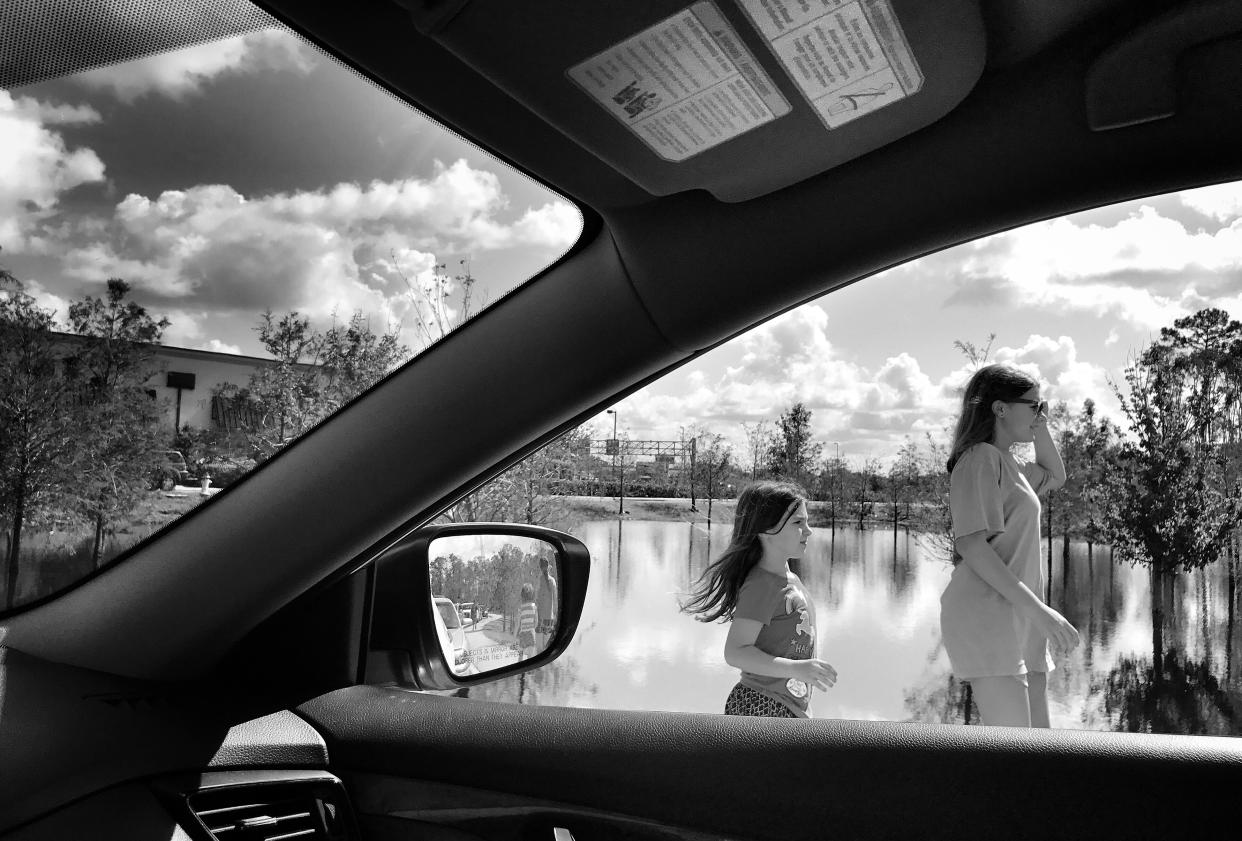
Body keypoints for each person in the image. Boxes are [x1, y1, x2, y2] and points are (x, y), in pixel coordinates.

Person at [939, 363, 1081, 727]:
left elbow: (1056, 475)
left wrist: (1040, 424)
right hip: (988, 616)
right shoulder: (979, 459)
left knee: (1038, 753)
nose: (1041, 413)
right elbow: (972, 546)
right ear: (1000, 408)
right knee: (1014, 759)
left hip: (1022, 616)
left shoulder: (1011, 464)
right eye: (1034, 405)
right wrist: (1040, 610)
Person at [682, 480, 837, 718]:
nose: (808, 531)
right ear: (766, 529)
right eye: (798, 522)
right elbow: (736, 652)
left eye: (807, 522)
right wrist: (798, 669)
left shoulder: (790, 580)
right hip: (761, 704)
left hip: (785, 707)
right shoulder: (763, 584)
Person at [535, 556, 558, 648]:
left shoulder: (540, 580)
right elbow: (555, 599)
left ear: (540, 567)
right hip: (549, 618)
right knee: (547, 645)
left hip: (541, 618)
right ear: (547, 566)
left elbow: (536, 598)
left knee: (541, 646)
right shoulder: (552, 581)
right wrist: (555, 614)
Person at [516, 583, 538, 660]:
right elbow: (536, 623)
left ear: (522, 595)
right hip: (531, 634)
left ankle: (520, 669)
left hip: (522, 634)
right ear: (532, 594)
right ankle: (527, 669)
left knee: (520, 655)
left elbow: (518, 624)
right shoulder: (534, 607)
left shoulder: (521, 608)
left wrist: (515, 636)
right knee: (530, 656)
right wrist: (532, 628)